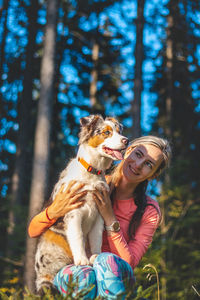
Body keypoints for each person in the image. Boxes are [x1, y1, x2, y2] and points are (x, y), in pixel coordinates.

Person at [28, 135, 171, 299]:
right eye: (138, 154)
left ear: (153, 174)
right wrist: (53, 211)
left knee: (105, 261)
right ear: (127, 150)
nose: (138, 165)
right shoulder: (91, 180)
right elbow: (33, 230)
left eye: (148, 164)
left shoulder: (149, 210)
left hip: (118, 278)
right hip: (79, 271)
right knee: (83, 275)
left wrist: (109, 217)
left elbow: (129, 263)